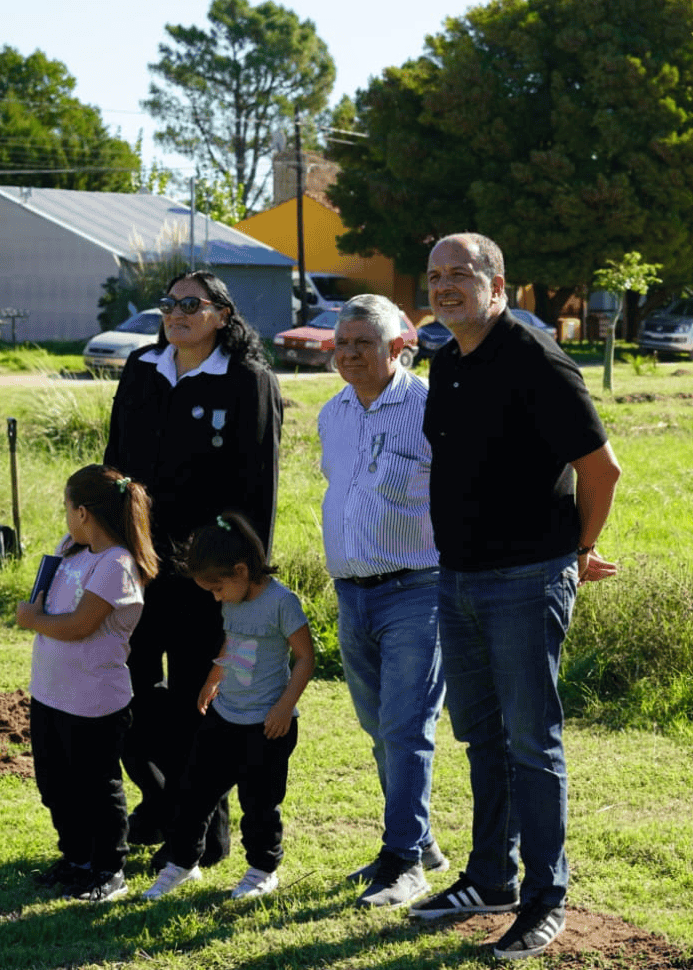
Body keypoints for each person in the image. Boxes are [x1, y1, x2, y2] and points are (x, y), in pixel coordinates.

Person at [409, 233, 622, 961]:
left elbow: (602, 469)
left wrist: (580, 549)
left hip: (526, 580)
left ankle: (544, 898)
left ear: (498, 285)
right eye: (435, 275)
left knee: (533, 743)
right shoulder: (446, 362)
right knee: (482, 737)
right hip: (457, 577)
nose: (445, 285)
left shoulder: (536, 357)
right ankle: (491, 878)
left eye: (460, 273)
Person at [103, 270, 283, 866]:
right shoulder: (140, 370)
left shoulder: (247, 382)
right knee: (120, 690)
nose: (177, 313)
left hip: (203, 577)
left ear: (222, 316)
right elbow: (114, 468)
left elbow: (258, 492)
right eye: (170, 303)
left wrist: (242, 578)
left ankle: (202, 831)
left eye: (192, 304)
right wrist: (105, 541)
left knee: (194, 701)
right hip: (134, 566)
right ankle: (160, 801)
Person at [317, 294, 447, 908]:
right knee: (378, 729)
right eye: (340, 344)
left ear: (399, 347)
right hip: (352, 592)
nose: (347, 356)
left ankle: (403, 864)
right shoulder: (332, 414)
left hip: (418, 589)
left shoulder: (430, 408)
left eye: (362, 344)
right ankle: (417, 843)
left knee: (405, 728)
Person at [142, 511, 315, 902]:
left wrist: (284, 708)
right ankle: (183, 863)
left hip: (268, 725)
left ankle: (262, 870)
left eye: (217, 588)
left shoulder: (281, 602)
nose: (215, 597)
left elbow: (306, 658)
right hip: (225, 717)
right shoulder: (233, 600)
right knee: (192, 791)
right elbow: (233, 641)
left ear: (240, 570)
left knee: (259, 803)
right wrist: (212, 679)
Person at [16, 463, 160, 903]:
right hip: (50, 694)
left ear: (82, 512)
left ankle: (108, 869)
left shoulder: (117, 564)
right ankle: (77, 858)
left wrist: (32, 620)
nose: (65, 519)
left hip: (94, 703)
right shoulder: (73, 550)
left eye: (66, 509)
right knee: (55, 783)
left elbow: (81, 626)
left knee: (96, 787)